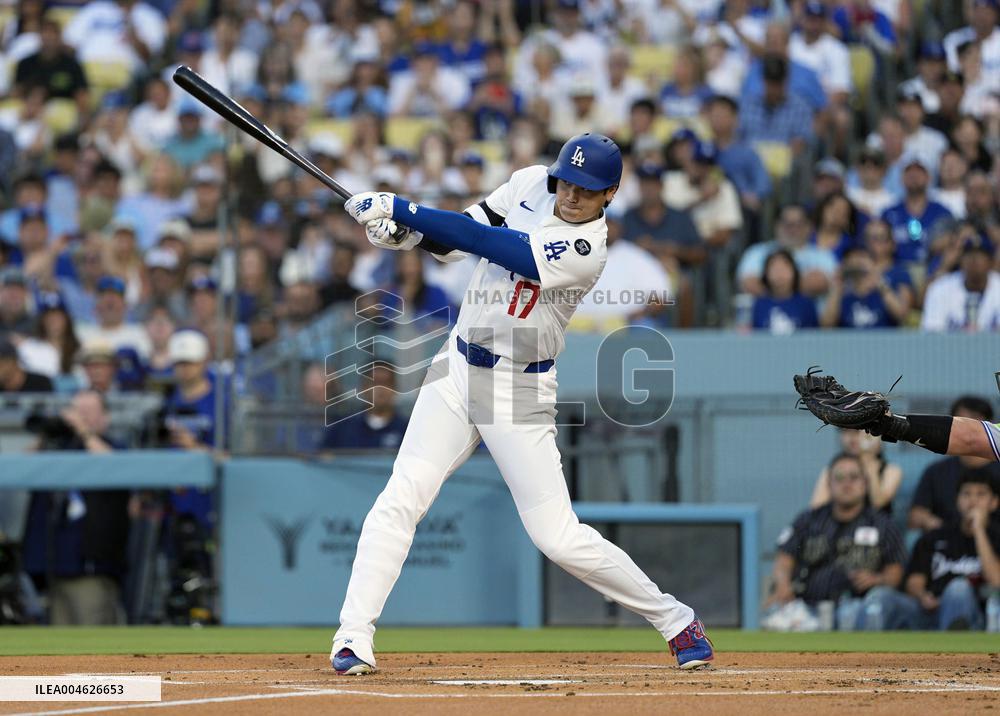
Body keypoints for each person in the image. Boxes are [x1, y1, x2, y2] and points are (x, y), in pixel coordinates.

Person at [329, 133, 712, 674]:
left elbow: (495, 246)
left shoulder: (588, 249)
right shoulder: (532, 181)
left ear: (611, 194)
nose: (572, 195)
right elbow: (456, 237)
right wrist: (404, 235)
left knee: (556, 536)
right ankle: (353, 637)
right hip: (457, 367)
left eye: (588, 189)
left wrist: (403, 207)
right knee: (402, 496)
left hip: (519, 388)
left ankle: (676, 620)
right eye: (568, 182)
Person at [764, 452, 909, 630]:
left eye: (854, 477)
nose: (846, 483)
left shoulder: (883, 524)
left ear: (865, 483)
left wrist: (877, 579)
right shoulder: (809, 519)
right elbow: (784, 557)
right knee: (773, 613)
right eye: (839, 478)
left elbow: (895, 570)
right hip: (806, 607)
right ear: (829, 484)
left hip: (857, 607)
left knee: (857, 611)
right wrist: (783, 586)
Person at [20, 390, 130, 625]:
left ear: (106, 418)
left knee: (95, 642)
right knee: (60, 649)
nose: (79, 418)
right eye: (76, 412)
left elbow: (117, 467)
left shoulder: (113, 446)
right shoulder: (59, 449)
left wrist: (84, 431)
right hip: (53, 568)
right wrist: (45, 435)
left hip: (92, 569)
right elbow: (19, 470)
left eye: (88, 412)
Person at [904, 470, 1000, 629]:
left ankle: (952, 652)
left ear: (994, 502)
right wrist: (923, 596)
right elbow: (914, 581)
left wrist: (979, 531)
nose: (973, 501)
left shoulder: (996, 537)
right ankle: (863, 653)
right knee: (882, 598)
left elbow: (996, 581)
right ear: (957, 500)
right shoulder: (934, 537)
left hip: (979, 617)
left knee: (958, 588)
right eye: (966, 494)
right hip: (931, 611)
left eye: (981, 494)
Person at [910, 397, 1000, 531]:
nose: (967, 432)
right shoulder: (937, 471)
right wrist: (944, 530)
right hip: (948, 543)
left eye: (974, 423)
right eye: (960, 423)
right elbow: (916, 516)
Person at [921, 234, 1000, 331]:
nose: (974, 259)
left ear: (991, 262)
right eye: (969, 254)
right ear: (960, 260)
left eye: (981, 255)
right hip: (949, 346)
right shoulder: (940, 289)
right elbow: (931, 336)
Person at [810, 429, 902, 512]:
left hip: (876, 528)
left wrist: (870, 467)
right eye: (846, 432)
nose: (852, 438)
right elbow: (817, 507)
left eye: (857, 432)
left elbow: (878, 503)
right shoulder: (833, 469)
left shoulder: (891, 470)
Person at [820, 247, 911, 328]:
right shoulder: (843, 296)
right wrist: (837, 286)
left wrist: (878, 279)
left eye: (861, 257)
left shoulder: (883, 293)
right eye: (852, 259)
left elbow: (901, 315)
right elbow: (826, 325)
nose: (857, 262)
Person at [323, 365, 409, 451]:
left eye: (386, 383)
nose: (380, 389)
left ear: (395, 388)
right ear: (363, 388)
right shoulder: (342, 428)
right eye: (374, 383)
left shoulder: (408, 429)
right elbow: (325, 458)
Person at [751, 249, 819, 333]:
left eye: (784, 267)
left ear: (794, 271)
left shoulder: (806, 303)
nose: (780, 273)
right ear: (766, 273)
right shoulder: (759, 304)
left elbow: (814, 336)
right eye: (774, 268)